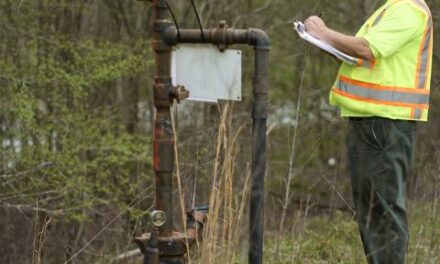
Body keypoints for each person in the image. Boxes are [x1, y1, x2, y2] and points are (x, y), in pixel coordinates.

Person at [304, 0, 433, 263]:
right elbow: (359, 57)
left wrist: (325, 33)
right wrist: (325, 42)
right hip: (372, 123)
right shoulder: (391, 8)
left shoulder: (408, 10)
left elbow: (367, 49)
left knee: (383, 210)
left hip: (384, 125)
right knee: (372, 211)